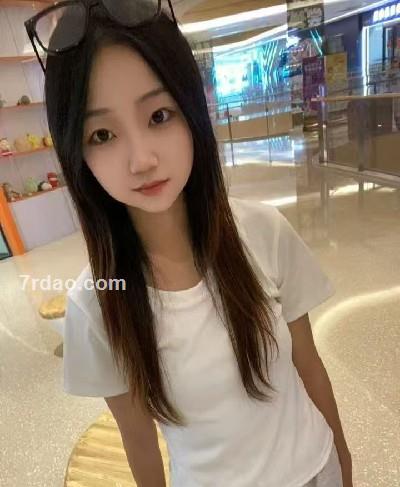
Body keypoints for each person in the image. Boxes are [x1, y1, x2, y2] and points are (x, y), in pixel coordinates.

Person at [25, 1, 353, 486]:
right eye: (103, 134)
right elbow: (138, 441)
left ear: (191, 109)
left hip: (317, 471)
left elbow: (310, 366)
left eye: (159, 115)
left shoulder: (263, 232)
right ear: (78, 152)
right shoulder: (96, 304)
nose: (141, 159)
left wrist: (344, 465)